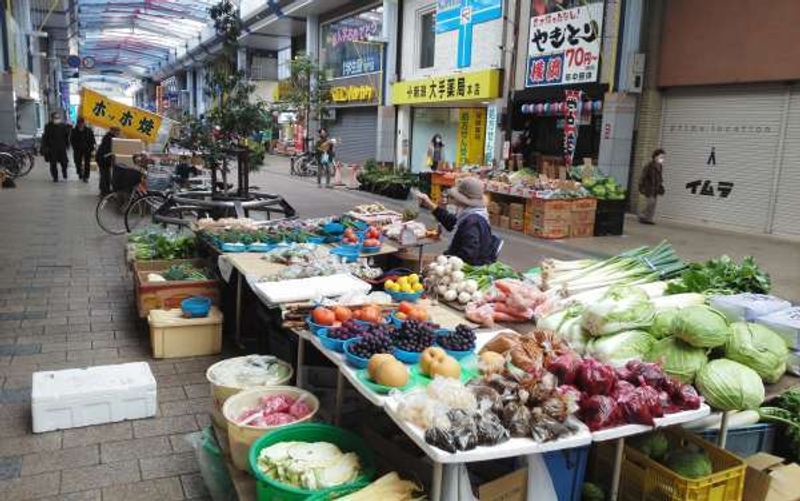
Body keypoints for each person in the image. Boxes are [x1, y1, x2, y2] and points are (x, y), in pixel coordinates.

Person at [416, 177, 501, 266]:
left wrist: (446, 261)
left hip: (470, 268)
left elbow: (468, 255)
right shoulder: (471, 212)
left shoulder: (472, 221)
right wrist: (429, 203)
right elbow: (452, 222)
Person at [638, 148, 666, 225]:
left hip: (655, 188)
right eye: (661, 157)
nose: (662, 159)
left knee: (653, 204)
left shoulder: (660, 166)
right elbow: (642, 176)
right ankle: (642, 215)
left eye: (663, 157)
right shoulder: (649, 165)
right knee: (650, 203)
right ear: (655, 156)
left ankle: (649, 219)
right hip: (648, 187)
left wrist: (661, 186)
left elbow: (659, 177)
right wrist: (641, 186)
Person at [41, 112, 71, 182]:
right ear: (51, 118)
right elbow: (45, 137)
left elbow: (66, 136)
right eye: (55, 118)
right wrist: (45, 147)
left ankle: (64, 173)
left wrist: (67, 144)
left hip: (62, 147)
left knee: (64, 163)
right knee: (53, 163)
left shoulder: (63, 126)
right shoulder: (48, 126)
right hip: (52, 148)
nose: (57, 119)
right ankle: (55, 177)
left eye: (58, 118)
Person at [69, 117, 96, 182]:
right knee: (77, 162)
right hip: (77, 149)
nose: (80, 125)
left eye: (82, 123)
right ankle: (79, 172)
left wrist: (92, 147)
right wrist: (74, 147)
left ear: (83, 123)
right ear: (77, 124)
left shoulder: (88, 130)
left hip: (87, 149)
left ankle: (86, 176)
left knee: (87, 163)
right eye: (79, 123)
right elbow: (71, 140)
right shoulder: (74, 131)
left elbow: (92, 139)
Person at [96, 126, 120, 196]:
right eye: (117, 131)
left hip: (103, 159)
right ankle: (104, 191)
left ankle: (104, 190)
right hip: (103, 159)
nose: (118, 133)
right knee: (105, 175)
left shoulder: (109, 137)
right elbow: (108, 151)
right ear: (113, 131)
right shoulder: (109, 138)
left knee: (105, 175)